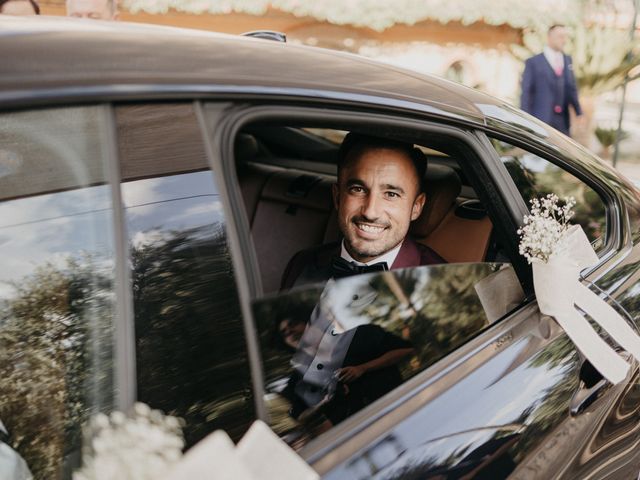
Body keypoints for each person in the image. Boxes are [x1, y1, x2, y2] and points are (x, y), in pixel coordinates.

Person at [280, 133, 444, 290]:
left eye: (391, 194)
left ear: (416, 207)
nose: (370, 212)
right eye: (358, 189)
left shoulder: (443, 284)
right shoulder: (302, 262)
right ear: (337, 198)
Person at [275, 304, 415, 428]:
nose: (289, 332)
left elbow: (407, 351)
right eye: (284, 333)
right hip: (357, 439)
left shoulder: (362, 335)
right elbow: (299, 418)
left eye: (293, 324)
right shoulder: (297, 380)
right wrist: (324, 402)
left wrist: (363, 368)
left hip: (404, 413)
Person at [520, 24, 583, 136]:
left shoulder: (568, 60)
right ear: (549, 37)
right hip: (540, 119)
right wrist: (525, 119)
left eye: (565, 36)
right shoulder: (533, 62)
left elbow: (571, 88)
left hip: (563, 122)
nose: (564, 40)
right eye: (560, 36)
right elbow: (526, 92)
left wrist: (579, 112)